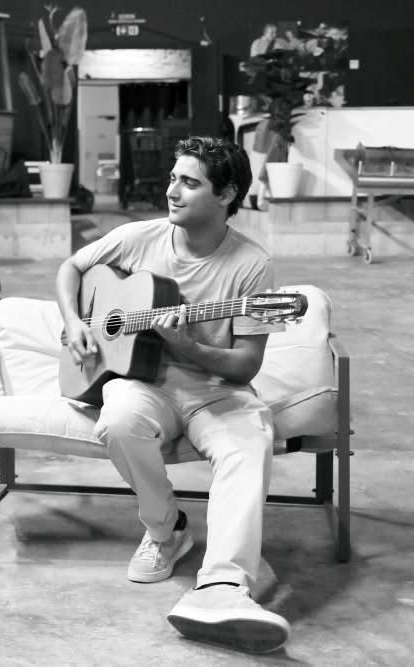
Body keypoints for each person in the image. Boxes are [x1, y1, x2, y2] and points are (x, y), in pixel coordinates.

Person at [55, 136, 291, 654]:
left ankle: (222, 587)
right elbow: (71, 268)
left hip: (217, 390)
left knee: (249, 441)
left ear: (226, 194)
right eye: (172, 178)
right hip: (144, 382)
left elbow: (246, 364)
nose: (172, 191)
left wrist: (189, 346)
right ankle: (167, 529)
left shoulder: (253, 265)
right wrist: (74, 322)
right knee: (119, 420)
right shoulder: (139, 238)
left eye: (190, 182)